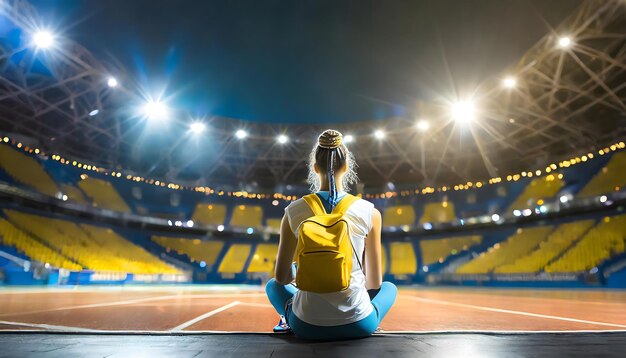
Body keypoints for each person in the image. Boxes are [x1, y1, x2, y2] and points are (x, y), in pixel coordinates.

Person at [265, 129, 397, 340]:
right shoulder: (370, 212)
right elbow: (374, 283)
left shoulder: (294, 211)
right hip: (359, 325)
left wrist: (304, 270)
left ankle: (286, 318)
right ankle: (364, 315)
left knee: (272, 286)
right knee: (390, 289)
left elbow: (281, 278)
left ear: (315, 168)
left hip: (306, 326)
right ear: (346, 167)